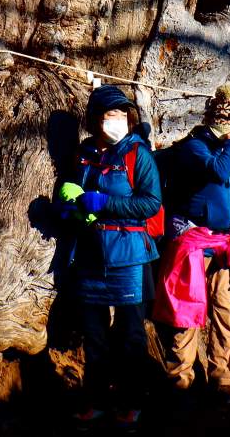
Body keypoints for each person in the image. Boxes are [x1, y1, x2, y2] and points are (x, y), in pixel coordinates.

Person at [57, 85, 160, 431]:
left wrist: (105, 203)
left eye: (120, 114)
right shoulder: (84, 153)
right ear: (94, 119)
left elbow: (150, 204)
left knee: (131, 332)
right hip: (89, 254)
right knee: (94, 333)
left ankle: (131, 402)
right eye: (108, 114)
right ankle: (96, 400)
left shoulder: (137, 154)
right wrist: (69, 205)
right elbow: (73, 192)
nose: (115, 120)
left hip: (128, 256)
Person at [154, 84, 230, 403]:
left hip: (221, 241)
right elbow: (217, 170)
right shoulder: (195, 147)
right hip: (192, 241)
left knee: (224, 309)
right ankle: (180, 376)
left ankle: (221, 376)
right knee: (186, 307)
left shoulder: (227, 150)